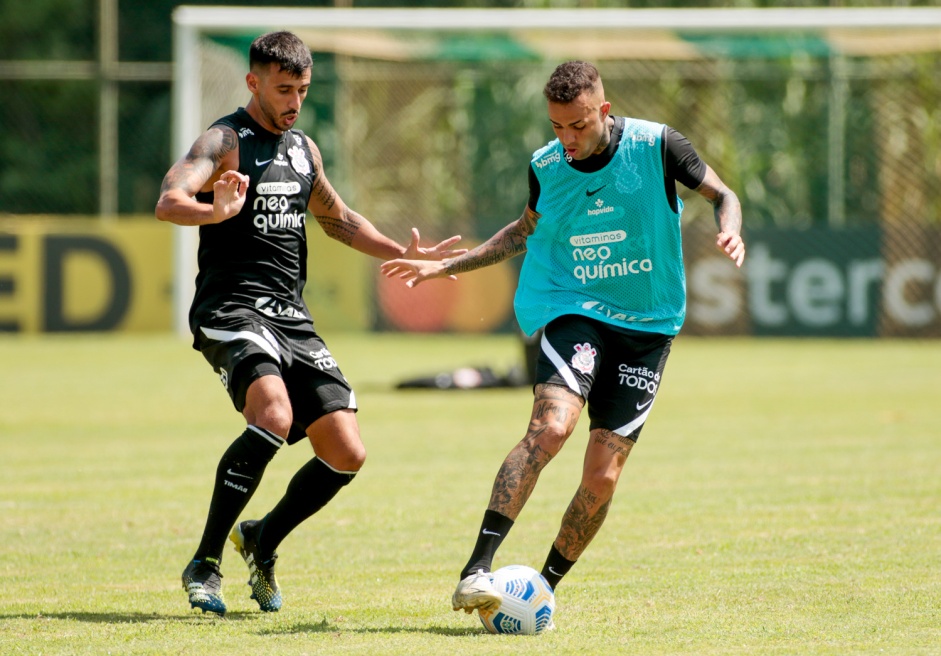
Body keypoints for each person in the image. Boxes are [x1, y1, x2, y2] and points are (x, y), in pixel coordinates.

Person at [381, 60, 744, 619]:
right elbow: (524, 230)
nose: (567, 139)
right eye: (557, 127)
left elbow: (724, 194)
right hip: (574, 308)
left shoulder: (658, 145)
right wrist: (450, 265)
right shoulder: (546, 165)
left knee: (602, 476)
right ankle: (476, 569)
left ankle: (543, 589)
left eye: (577, 125)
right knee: (551, 428)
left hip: (647, 327)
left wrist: (730, 227)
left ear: (602, 109)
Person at [155, 31, 464, 616]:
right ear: (253, 83)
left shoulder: (304, 150)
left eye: (301, 89)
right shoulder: (224, 140)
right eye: (283, 89)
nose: (294, 100)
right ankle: (205, 562)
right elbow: (170, 201)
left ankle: (262, 540)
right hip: (231, 308)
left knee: (346, 451)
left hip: (290, 316)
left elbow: (339, 219)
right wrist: (213, 210)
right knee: (273, 414)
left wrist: (406, 252)